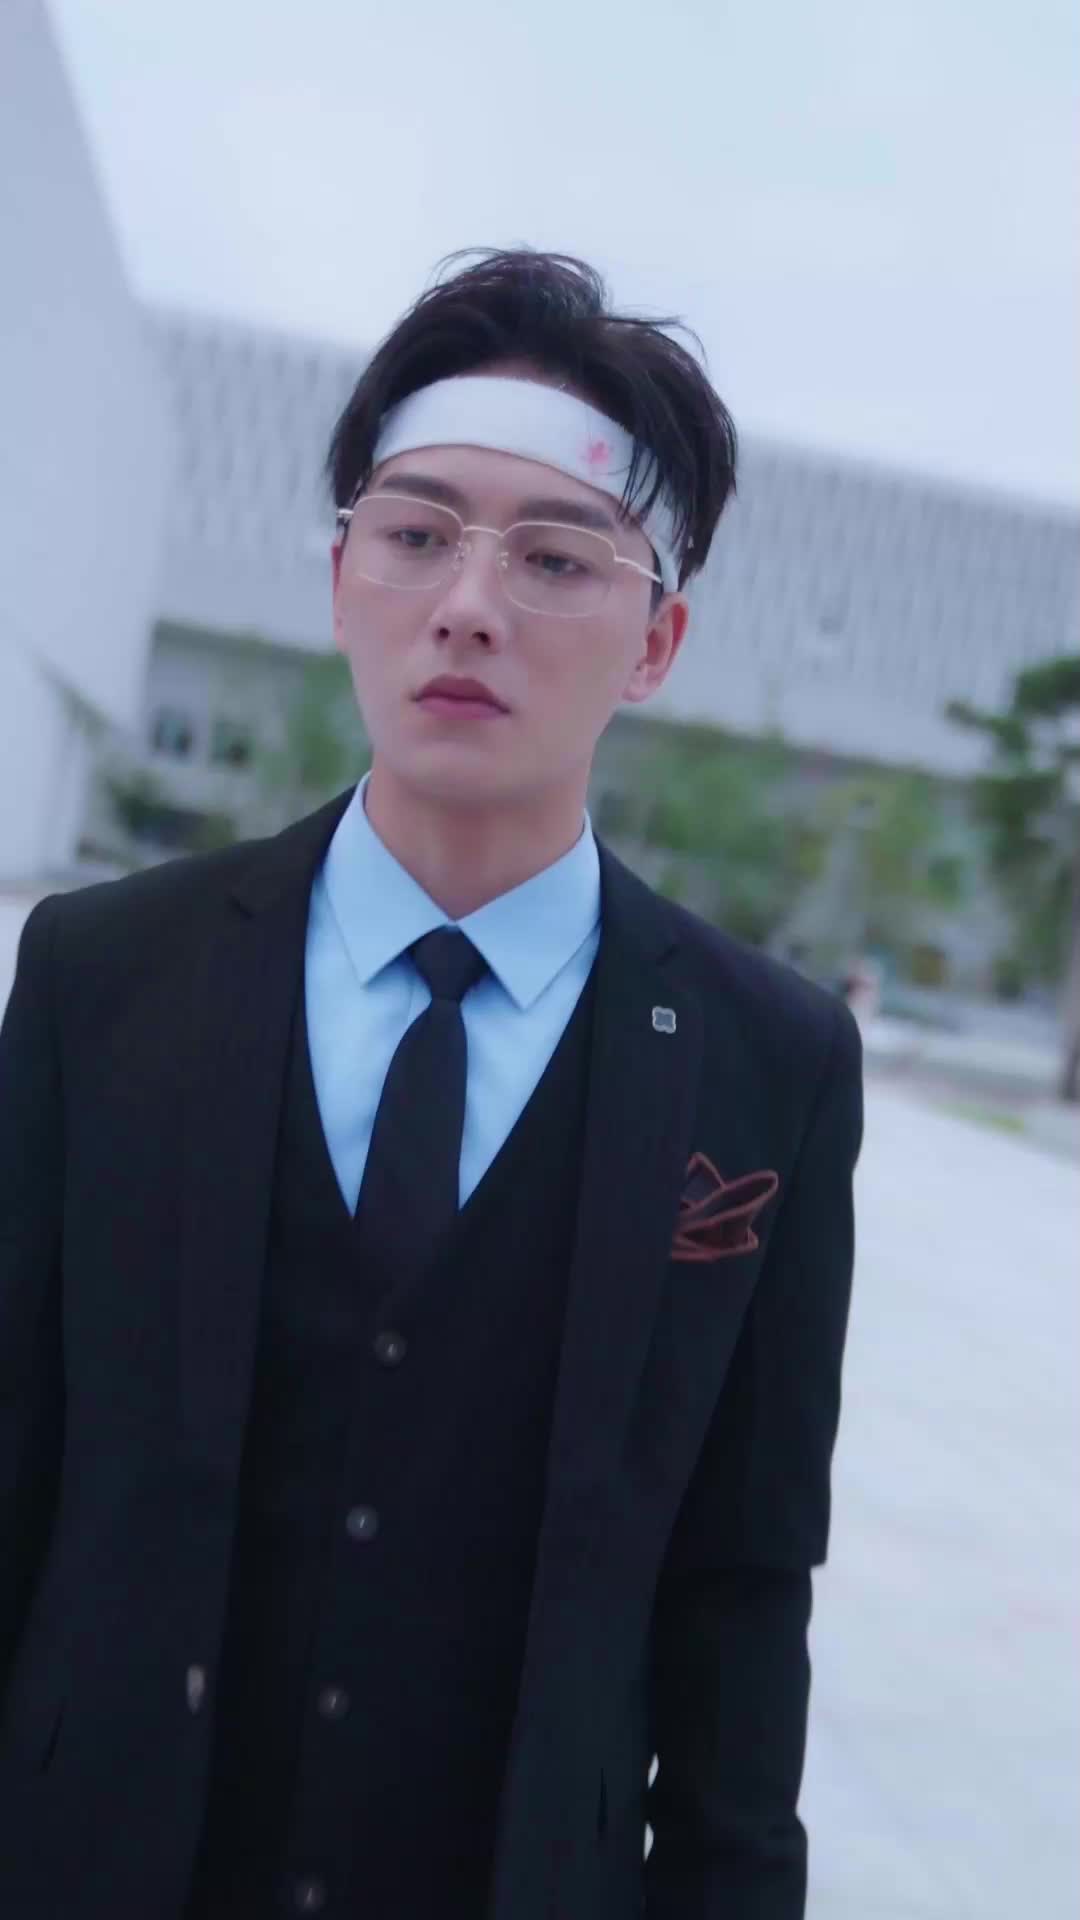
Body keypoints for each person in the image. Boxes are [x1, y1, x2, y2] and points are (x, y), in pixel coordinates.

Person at [0, 248, 863, 1919]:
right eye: (416, 534)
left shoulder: (770, 1062)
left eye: (554, 556)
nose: (469, 603)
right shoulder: (104, 979)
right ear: (342, 579)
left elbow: (744, 1595)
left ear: (657, 639)